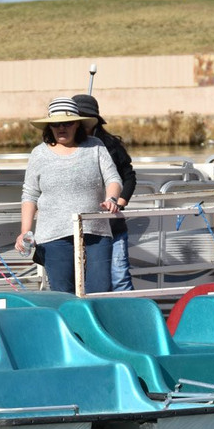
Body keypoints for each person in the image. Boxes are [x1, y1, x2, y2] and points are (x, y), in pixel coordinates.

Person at [16, 97, 122, 294]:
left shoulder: (96, 146)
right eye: (56, 124)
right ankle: (68, 326)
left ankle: (93, 326)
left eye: (68, 123)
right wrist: (25, 231)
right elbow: (29, 194)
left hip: (96, 232)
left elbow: (113, 179)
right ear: (49, 127)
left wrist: (112, 199)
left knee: (100, 291)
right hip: (53, 236)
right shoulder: (38, 154)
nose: (61, 128)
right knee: (63, 293)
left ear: (78, 125)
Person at [73, 93, 138, 292]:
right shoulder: (67, 148)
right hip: (83, 226)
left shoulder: (111, 145)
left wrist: (120, 201)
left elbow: (128, 176)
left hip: (112, 222)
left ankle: (127, 317)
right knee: (86, 277)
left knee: (120, 276)